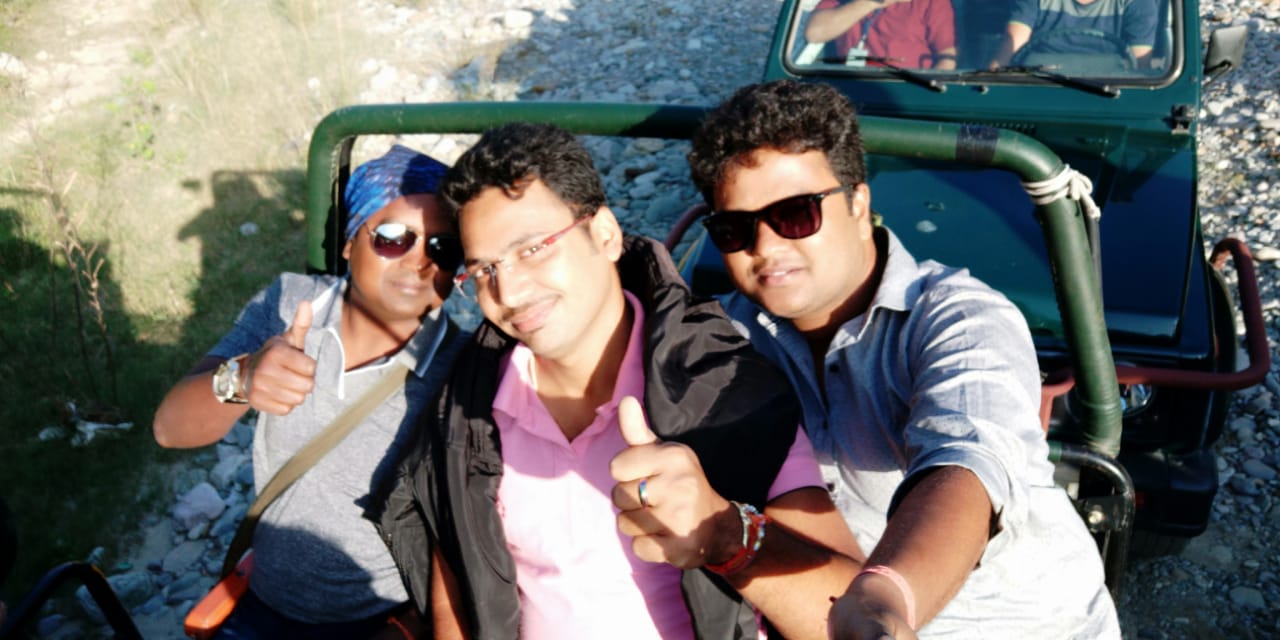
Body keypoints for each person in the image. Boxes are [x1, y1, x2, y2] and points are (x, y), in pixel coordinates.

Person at [371, 122, 864, 640]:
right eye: (484, 270)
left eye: (533, 249)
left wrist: (725, 533)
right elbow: (454, 561)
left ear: (605, 234)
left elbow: (850, 618)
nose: (509, 291)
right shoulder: (468, 402)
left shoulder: (722, 391)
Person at [687, 79, 1121, 639]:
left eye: (795, 215)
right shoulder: (726, 334)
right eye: (735, 229)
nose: (766, 247)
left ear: (858, 203)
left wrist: (886, 596)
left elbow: (967, 462)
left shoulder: (959, 318)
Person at [153, 144, 466, 639]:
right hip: (263, 602)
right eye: (392, 238)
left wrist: (409, 629)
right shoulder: (290, 303)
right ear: (349, 242)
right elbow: (169, 429)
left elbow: (467, 531)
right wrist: (244, 379)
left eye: (442, 247)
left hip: (379, 621)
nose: (419, 262)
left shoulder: (462, 368)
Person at [989, 0, 1158, 69]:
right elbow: (1011, 46)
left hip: (1109, 96)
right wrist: (991, 83)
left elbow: (1140, 68)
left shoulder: (1138, 3)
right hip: (1039, 88)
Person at [804, 0, 957, 70]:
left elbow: (947, 59)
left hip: (904, 94)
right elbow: (814, 32)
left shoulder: (931, 2)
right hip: (849, 91)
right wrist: (875, 2)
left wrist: (924, 98)